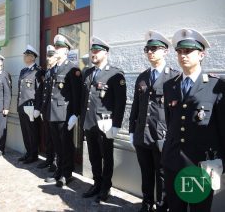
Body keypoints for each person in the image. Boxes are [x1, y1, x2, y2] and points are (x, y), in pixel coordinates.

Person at [162, 28, 225, 212]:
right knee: (175, 209)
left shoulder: (216, 85)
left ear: (201, 54)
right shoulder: (170, 85)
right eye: (180, 51)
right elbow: (170, 122)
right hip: (173, 162)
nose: (183, 55)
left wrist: (222, 161)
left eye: (188, 51)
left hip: (201, 165)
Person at [129, 31, 179, 212]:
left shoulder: (174, 77)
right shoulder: (142, 77)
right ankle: (147, 204)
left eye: (154, 49)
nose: (150, 52)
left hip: (162, 136)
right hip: (142, 134)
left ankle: (162, 206)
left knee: (163, 176)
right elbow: (136, 105)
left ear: (165, 51)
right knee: (146, 173)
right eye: (147, 49)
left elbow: (177, 112)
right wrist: (131, 131)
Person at [81, 36, 127, 203]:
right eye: (92, 50)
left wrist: (116, 125)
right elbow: (83, 99)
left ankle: (105, 187)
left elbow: (120, 102)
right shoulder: (87, 72)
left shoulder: (115, 73)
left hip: (105, 124)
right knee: (93, 156)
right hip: (89, 122)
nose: (93, 54)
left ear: (106, 53)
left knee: (106, 156)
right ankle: (96, 183)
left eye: (97, 51)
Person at [44, 34, 82, 187]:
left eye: (59, 47)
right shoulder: (55, 69)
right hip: (53, 113)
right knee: (57, 145)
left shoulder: (72, 68)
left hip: (65, 114)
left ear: (66, 50)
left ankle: (67, 173)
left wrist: (75, 114)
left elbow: (76, 95)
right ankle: (59, 170)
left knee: (66, 145)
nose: (56, 49)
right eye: (56, 47)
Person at [17, 45, 44, 163]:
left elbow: (39, 92)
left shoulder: (38, 71)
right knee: (25, 131)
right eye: (25, 55)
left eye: (27, 55)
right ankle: (28, 152)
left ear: (33, 57)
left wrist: (38, 108)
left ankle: (34, 154)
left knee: (32, 131)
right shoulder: (23, 71)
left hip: (31, 106)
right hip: (22, 106)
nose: (25, 57)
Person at [37, 45, 57, 171]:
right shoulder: (48, 71)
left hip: (55, 111)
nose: (48, 58)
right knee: (48, 137)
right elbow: (45, 93)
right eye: (47, 56)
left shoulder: (56, 70)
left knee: (55, 139)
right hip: (47, 110)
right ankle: (49, 159)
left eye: (51, 56)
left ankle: (55, 162)